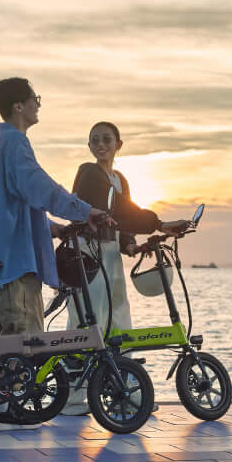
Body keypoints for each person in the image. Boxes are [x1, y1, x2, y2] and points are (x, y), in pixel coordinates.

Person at [0, 78, 115, 342]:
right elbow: (41, 189)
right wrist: (85, 211)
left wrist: (54, 228)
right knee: (26, 349)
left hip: (0, 262)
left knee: (7, 353)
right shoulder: (15, 143)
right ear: (19, 106)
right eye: (34, 99)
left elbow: (14, 204)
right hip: (14, 265)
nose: (37, 105)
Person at [70, 120, 163, 336]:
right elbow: (120, 208)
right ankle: (78, 368)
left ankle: (120, 369)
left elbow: (124, 217)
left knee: (118, 315)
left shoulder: (120, 179)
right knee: (90, 317)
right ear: (89, 146)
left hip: (112, 255)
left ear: (118, 144)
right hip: (89, 255)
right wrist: (158, 224)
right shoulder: (88, 173)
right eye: (95, 140)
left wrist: (130, 245)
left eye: (106, 139)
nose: (100, 144)